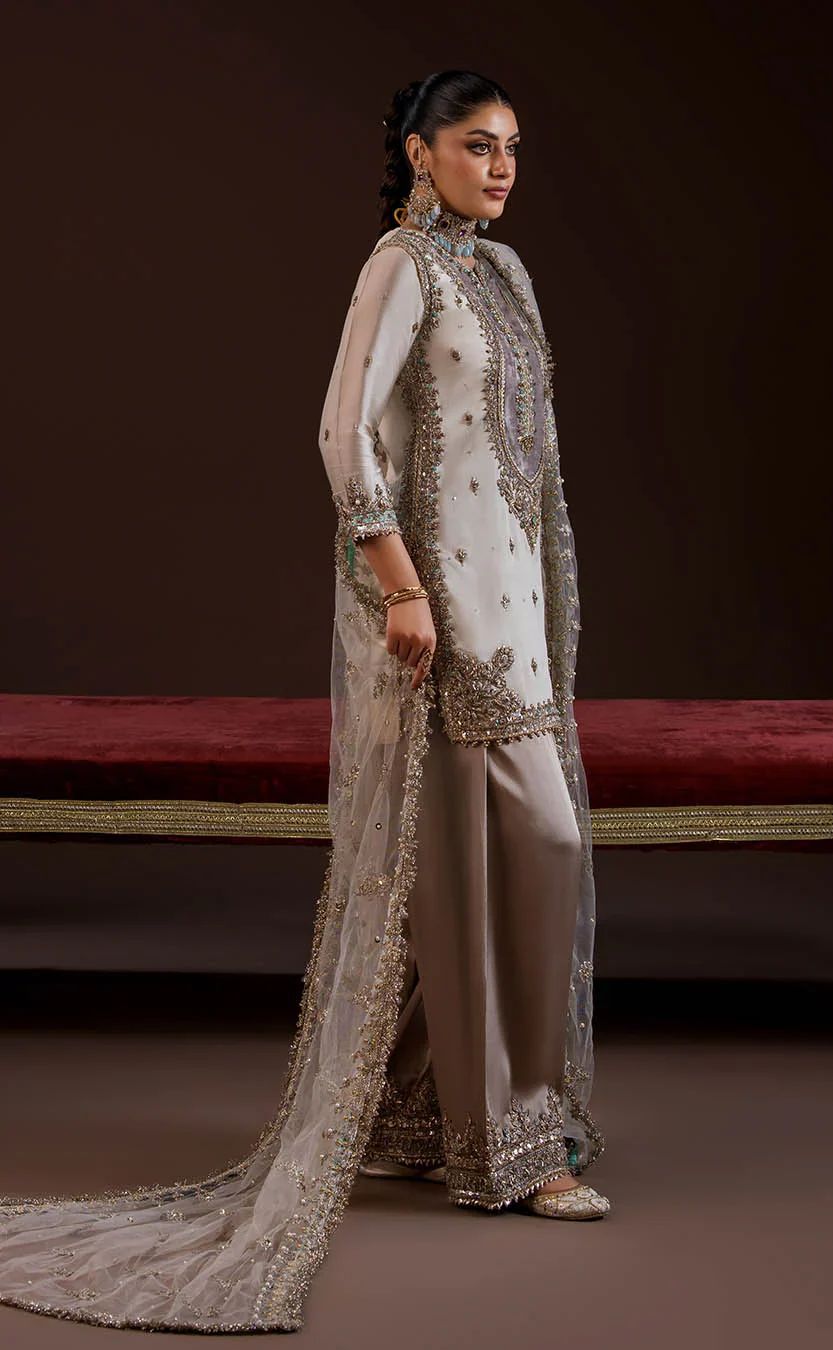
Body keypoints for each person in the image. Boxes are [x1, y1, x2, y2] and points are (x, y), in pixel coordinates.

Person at [0, 70, 608, 1337]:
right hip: (440, 617)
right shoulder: (400, 266)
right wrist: (399, 586)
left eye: (513, 146)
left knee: (529, 855)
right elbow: (344, 433)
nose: (502, 166)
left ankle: (411, 1112)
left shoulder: (507, 274)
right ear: (419, 153)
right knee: (477, 874)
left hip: (516, 620)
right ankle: (510, 1144)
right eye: (477, 144)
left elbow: (524, 463)